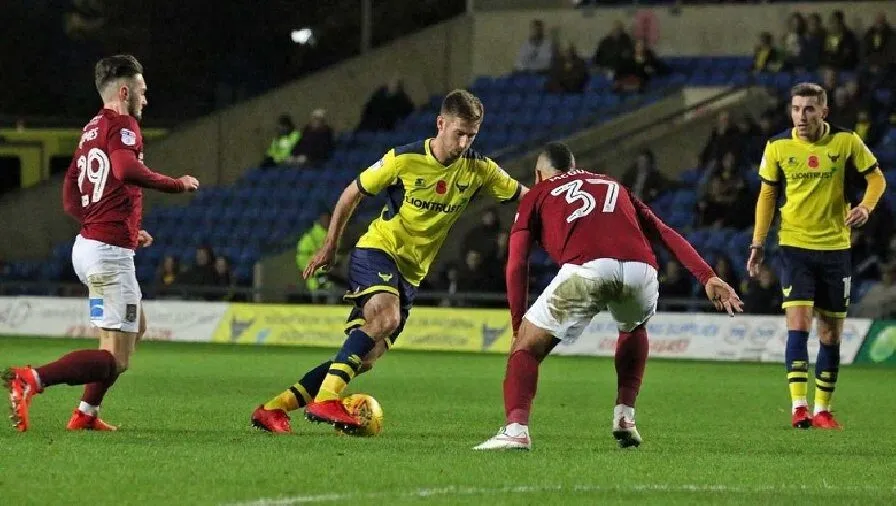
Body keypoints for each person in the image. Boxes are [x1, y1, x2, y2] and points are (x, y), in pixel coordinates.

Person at [251, 89, 527, 432]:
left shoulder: (479, 169)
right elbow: (351, 193)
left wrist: (563, 195)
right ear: (441, 124)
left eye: (472, 135)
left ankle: (273, 408)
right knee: (387, 317)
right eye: (459, 133)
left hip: (410, 275)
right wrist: (330, 245)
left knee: (365, 358)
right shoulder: (403, 159)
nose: (463, 143)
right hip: (378, 250)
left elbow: (526, 197)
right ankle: (326, 399)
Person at [474, 142, 742, 451]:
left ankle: (516, 430)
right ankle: (625, 416)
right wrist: (707, 275)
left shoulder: (538, 192)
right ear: (574, 167)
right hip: (642, 271)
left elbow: (517, 262)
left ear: (538, 174)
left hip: (589, 268)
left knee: (526, 348)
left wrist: (517, 325)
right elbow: (663, 231)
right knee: (633, 328)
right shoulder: (612, 183)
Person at [2, 55, 199, 432]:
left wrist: (117, 226)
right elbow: (125, 170)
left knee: (135, 327)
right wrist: (176, 184)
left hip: (92, 246)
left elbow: (70, 197)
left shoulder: (91, 129)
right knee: (116, 357)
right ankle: (32, 379)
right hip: (107, 256)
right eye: (142, 90)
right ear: (124, 92)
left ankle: (86, 414)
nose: (146, 98)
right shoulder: (123, 125)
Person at [747, 83, 886, 430]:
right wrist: (758, 244)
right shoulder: (778, 146)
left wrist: (866, 208)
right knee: (798, 324)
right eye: (796, 108)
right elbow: (767, 196)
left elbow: (877, 179)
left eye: (809, 109)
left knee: (830, 334)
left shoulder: (846, 141)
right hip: (794, 247)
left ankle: (823, 409)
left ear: (824, 111)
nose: (801, 116)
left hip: (836, 249)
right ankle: (799, 407)